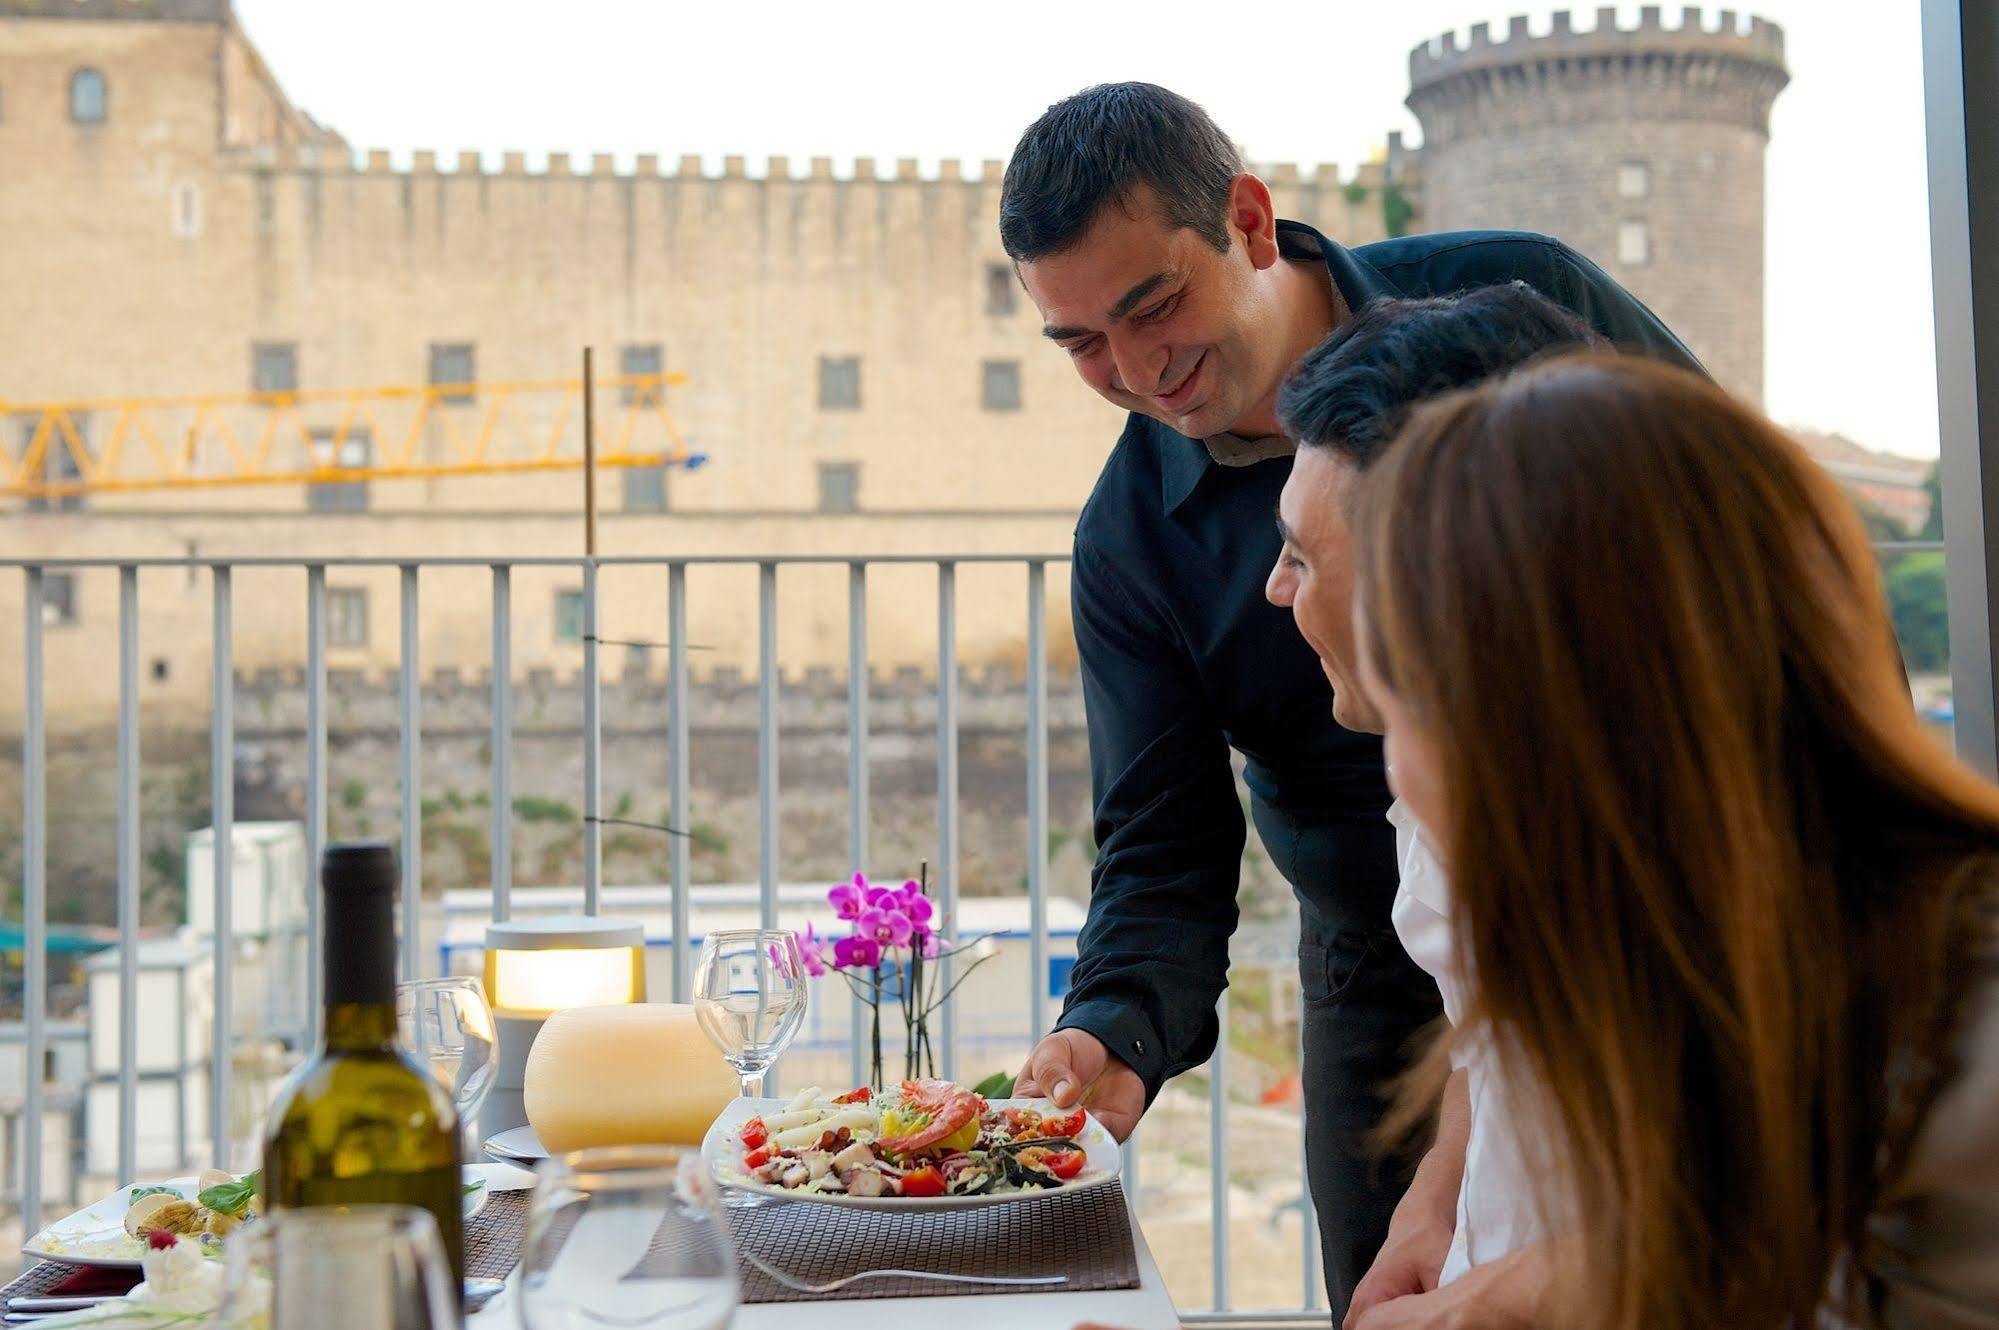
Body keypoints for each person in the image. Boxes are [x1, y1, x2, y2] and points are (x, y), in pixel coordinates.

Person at [998, 80, 1702, 1313]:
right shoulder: (1128, 543)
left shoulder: (1526, 306)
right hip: (1384, 962)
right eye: (1079, 344)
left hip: (1664, 898)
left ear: (1251, 221)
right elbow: (1161, 848)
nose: (1133, 369)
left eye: (1151, 304)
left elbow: (1731, 528)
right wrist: (1109, 1029)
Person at [1344, 353, 1999, 1329]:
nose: (1399, 784)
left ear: (1519, 749)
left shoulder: (1961, 1070)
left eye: (1402, 720)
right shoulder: (1762, 958)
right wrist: (1519, 1286)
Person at [1263, 284, 1606, 1326]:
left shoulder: (1651, 833)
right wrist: (1436, 1195)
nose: (1276, 591)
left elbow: (1760, 1205)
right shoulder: (1446, 763)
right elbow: (1488, 1025)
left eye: (1300, 554)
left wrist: (1476, 1308)